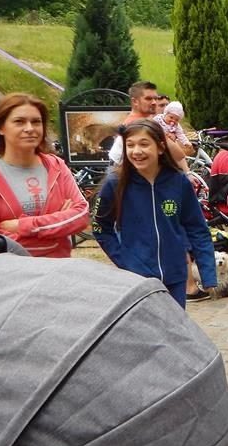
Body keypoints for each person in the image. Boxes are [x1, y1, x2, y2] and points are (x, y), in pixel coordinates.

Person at [93, 120, 217, 308]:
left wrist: (208, 273)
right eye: (130, 145)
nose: (136, 151)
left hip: (175, 276)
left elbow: (197, 228)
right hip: (137, 280)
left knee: (173, 325)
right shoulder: (115, 183)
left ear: (160, 148)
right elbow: (100, 227)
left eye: (144, 144)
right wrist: (124, 260)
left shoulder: (179, 182)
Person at [0, 93, 88, 257]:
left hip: (57, 270)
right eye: (19, 121)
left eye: (36, 122)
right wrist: (55, 233)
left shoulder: (56, 166)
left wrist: (23, 226)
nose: (30, 128)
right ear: (1, 128)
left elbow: (81, 215)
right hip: (6, 271)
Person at [108, 81, 163, 165]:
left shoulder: (148, 120)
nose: (154, 102)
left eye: (156, 98)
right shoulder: (135, 125)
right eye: (148, 99)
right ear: (135, 102)